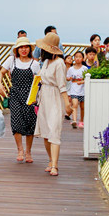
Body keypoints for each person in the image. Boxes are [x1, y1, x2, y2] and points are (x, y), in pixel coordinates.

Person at [34, 32, 73, 177]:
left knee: (54, 132)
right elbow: (39, 78)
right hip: (44, 97)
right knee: (45, 132)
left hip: (55, 97)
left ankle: (55, 165)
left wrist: (67, 104)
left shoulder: (59, 63)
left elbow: (62, 86)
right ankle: (50, 160)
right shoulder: (45, 63)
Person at [0, 35, 39, 163]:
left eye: (26, 47)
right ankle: (20, 150)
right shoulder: (12, 60)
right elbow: (1, 73)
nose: (24, 49)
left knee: (30, 123)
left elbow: (39, 82)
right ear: (17, 49)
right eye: (21, 47)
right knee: (16, 122)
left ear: (29, 49)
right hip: (15, 94)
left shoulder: (35, 64)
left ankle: (28, 152)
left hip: (30, 96)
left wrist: (36, 97)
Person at [66, 51, 86, 129]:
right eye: (76, 57)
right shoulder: (71, 69)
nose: (78, 58)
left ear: (83, 58)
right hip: (73, 89)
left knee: (82, 107)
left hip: (82, 90)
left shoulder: (84, 68)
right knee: (74, 104)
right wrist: (69, 78)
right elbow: (67, 78)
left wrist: (82, 82)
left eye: (80, 57)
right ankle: (74, 120)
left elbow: (87, 79)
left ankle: (81, 121)